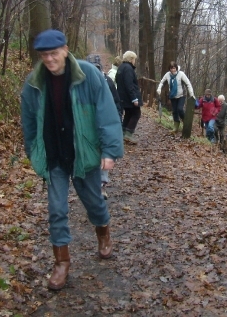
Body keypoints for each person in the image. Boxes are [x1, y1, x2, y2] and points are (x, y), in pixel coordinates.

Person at [20, 29, 124, 291]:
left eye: (54, 53)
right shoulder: (34, 83)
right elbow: (29, 123)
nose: (49, 60)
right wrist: (33, 152)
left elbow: (107, 114)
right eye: (44, 55)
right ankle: (62, 263)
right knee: (56, 210)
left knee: (94, 202)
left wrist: (109, 152)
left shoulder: (88, 75)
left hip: (83, 153)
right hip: (54, 154)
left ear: (65, 50)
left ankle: (103, 231)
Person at [90, 60, 123, 200]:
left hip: (105, 124)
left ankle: (102, 186)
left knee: (104, 154)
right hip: (89, 126)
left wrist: (117, 119)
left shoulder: (108, 81)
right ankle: (91, 186)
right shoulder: (82, 83)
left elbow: (116, 101)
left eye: (97, 68)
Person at [156, 61, 196, 134]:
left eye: (174, 68)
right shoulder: (167, 75)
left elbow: (188, 83)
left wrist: (191, 94)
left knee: (180, 109)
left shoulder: (181, 74)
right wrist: (159, 88)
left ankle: (185, 121)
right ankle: (176, 127)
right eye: (171, 68)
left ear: (176, 68)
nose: (172, 70)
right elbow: (162, 82)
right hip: (172, 95)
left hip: (181, 95)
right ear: (169, 69)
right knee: (174, 111)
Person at [115, 51, 142, 144]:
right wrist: (134, 98)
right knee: (136, 113)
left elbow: (116, 79)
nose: (135, 61)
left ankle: (122, 132)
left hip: (122, 96)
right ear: (131, 59)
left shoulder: (121, 67)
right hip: (129, 97)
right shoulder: (128, 69)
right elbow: (129, 84)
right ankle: (128, 134)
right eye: (134, 59)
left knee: (128, 114)